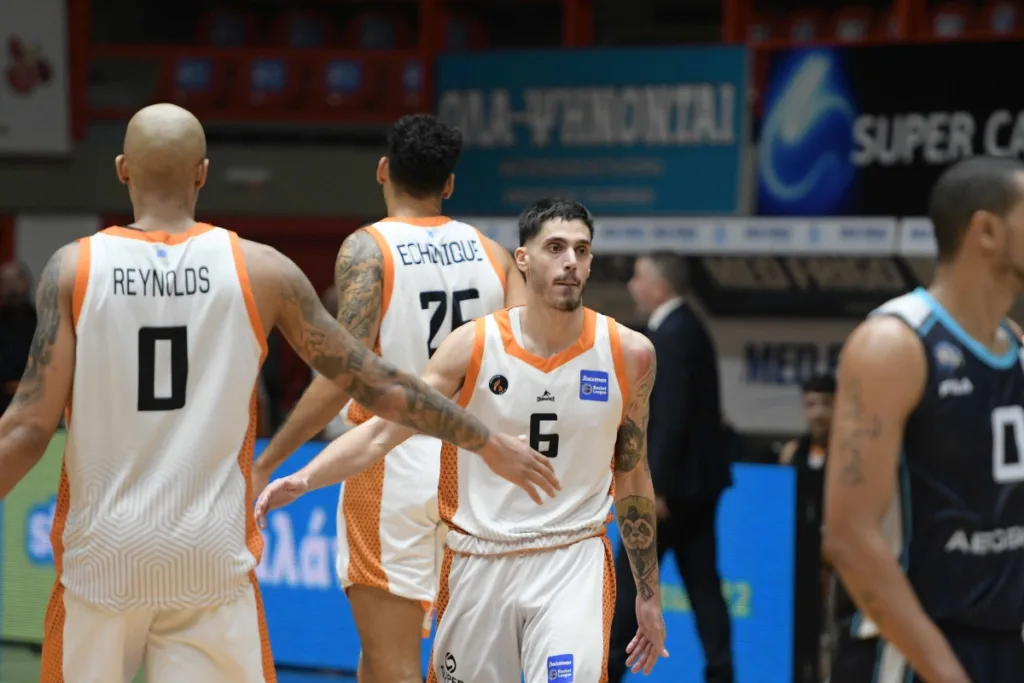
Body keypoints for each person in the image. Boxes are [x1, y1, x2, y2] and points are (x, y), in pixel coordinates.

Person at [0, 103, 557, 683]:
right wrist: (486, 440)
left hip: (103, 553)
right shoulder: (263, 269)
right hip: (213, 557)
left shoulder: (73, 269)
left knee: (388, 658)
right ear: (203, 173)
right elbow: (381, 382)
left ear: (122, 170)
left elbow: (27, 428)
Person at [256, 198, 670, 683]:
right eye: (555, 248)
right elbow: (383, 432)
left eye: (581, 250)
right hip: (480, 559)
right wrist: (304, 478)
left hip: (571, 559)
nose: (570, 262)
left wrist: (648, 594)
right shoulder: (473, 345)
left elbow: (633, 474)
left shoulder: (630, 354)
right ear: (523, 259)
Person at [251, 113, 526, 683]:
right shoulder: (496, 256)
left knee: (391, 662)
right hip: (477, 469)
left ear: (383, 170)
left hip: (390, 463)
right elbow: (521, 376)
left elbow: (341, 374)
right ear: (449, 183)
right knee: (464, 665)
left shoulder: (368, 249)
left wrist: (271, 458)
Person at [824, 155, 1024, 683]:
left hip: (1003, 645)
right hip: (910, 653)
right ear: (987, 231)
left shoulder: (1016, 347)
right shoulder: (893, 344)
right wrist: (946, 672)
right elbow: (848, 537)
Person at [611, 252, 734, 683]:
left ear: (659, 286)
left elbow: (670, 416)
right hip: (694, 488)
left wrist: (655, 489)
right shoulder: (683, 327)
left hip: (673, 491)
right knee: (703, 587)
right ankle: (722, 674)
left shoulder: (674, 332)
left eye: (638, 277)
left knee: (628, 583)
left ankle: (606, 670)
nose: (632, 286)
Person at [780, 373, 836, 683]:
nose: (819, 413)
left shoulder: (848, 456)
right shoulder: (793, 453)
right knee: (799, 633)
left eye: (826, 404)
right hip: (799, 557)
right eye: (811, 404)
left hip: (837, 558)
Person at [0, 260, 37, 414]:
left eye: (15, 279)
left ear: (26, 282)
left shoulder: (44, 321)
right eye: (4, 282)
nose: (11, 287)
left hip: (38, 403)